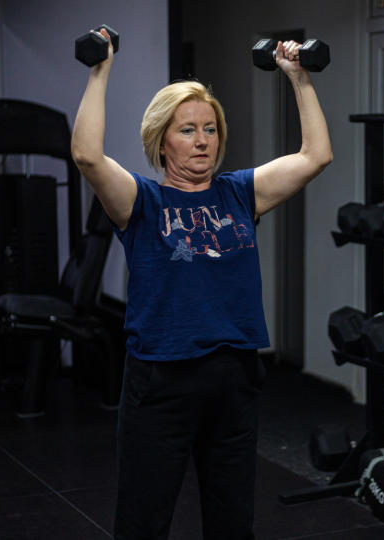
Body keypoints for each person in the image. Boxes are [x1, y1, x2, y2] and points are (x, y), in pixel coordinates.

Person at [70, 28, 332, 540]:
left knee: (233, 523)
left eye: (210, 129)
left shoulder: (240, 194)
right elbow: (87, 156)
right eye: (187, 130)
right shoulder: (141, 203)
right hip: (161, 381)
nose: (202, 141)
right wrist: (100, 69)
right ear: (161, 139)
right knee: (143, 523)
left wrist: (299, 79)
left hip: (233, 378)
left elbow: (314, 156)